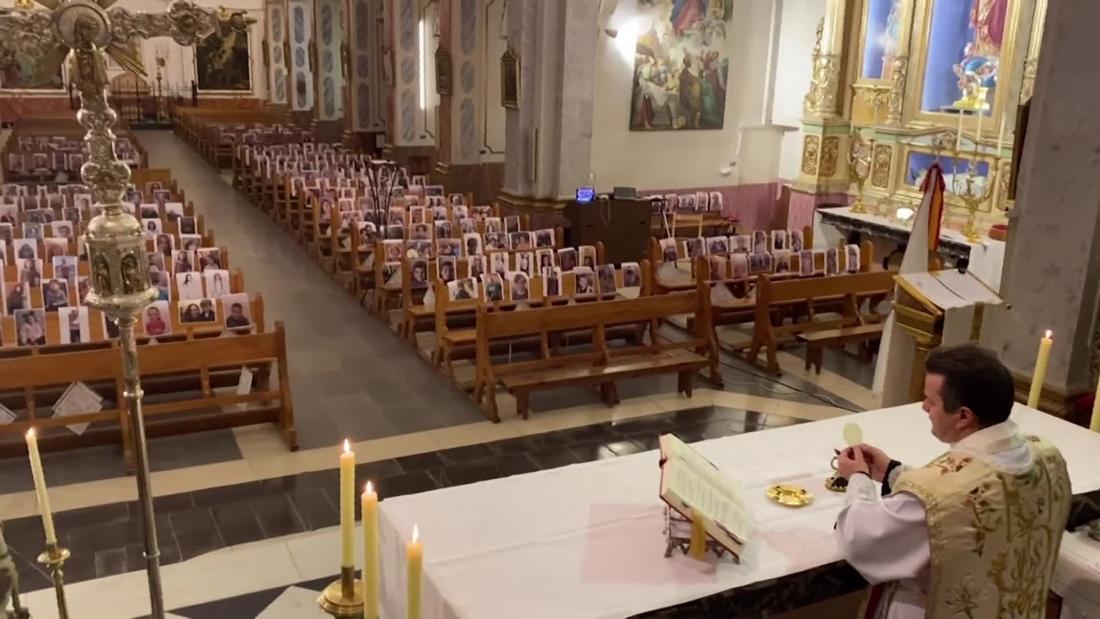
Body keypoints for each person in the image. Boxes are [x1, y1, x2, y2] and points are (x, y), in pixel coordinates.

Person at [834, 344, 1071, 619]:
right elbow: (979, 490)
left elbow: (862, 539)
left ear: (963, 416)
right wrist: (892, 472)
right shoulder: (1046, 458)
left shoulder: (939, 496)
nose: (924, 407)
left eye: (931, 402)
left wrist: (858, 478)